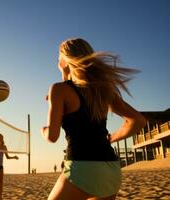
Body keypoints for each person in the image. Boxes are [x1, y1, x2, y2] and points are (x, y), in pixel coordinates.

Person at [41, 38, 146, 200]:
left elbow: (52, 136)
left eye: (58, 57)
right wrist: (111, 138)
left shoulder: (59, 90)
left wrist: (43, 130)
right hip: (111, 170)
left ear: (65, 60)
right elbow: (138, 121)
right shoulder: (102, 90)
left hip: (82, 167)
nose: (57, 61)